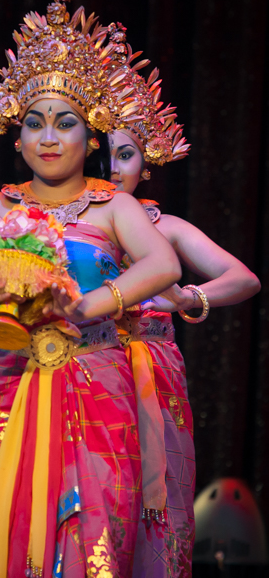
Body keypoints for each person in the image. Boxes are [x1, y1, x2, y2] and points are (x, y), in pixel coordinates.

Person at [0, 0, 183, 578]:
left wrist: (88, 306)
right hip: (12, 376)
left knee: (97, 533)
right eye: (35, 123)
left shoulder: (113, 205)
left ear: (90, 138)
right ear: (17, 138)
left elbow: (164, 264)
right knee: (7, 525)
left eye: (66, 124)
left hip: (97, 377)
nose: (48, 138)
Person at [107, 31, 261, 577]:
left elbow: (243, 279)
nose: (112, 167)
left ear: (144, 163)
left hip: (149, 373)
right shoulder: (60, 228)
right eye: (101, 153)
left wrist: (182, 298)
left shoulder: (162, 228)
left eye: (124, 154)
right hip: (79, 373)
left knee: (154, 504)